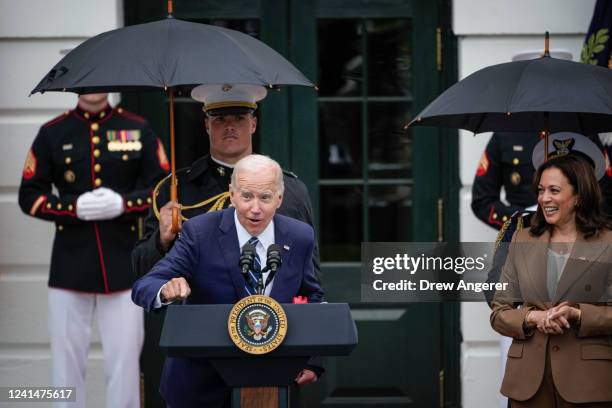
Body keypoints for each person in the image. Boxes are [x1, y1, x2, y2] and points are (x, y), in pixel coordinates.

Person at [132, 154, 324, 408]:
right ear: (232, 194)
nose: (255, 208)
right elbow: (145, 285)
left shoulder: (300, 236)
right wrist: (165, 290)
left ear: (279, 198)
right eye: (246, 196)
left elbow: (311, 295)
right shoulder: (199, 232)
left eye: (265, 197)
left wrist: (313, 359)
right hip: (200, 383)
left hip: (270, 382)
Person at [18, 93, 169, 408]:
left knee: (125, 364)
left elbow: (161, 189)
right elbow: (29, 195)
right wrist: (73, 207)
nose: (93, 88)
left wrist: (124, 203)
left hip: (122, 263)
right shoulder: (53, 132)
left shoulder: (137, 127)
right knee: (65, 366)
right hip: (69, 265)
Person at [490, 152, 612, 407]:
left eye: (554, 190)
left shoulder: (608, 242)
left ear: (579, 196)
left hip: (589, 384)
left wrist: (577, 314)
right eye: (541, 190)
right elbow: (499, 311)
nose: (544, 198)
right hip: (527, 386)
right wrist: (532, 317)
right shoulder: (522, 240)